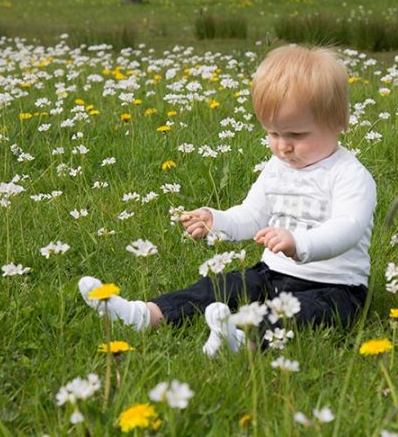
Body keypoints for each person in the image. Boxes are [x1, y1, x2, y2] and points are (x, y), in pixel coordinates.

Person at [79, 45, 377, 356]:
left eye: (297, 135)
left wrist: (298, 243)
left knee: (301, 314)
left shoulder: (350, 175)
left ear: (338, 122)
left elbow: (348, 228)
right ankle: (145, 315)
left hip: (336, 288)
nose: (283, 147)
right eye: (273, 133)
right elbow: (252, 214)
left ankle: (238, 338)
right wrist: (217, 220)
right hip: (271, 274)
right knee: (221, 285)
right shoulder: (277, 170)